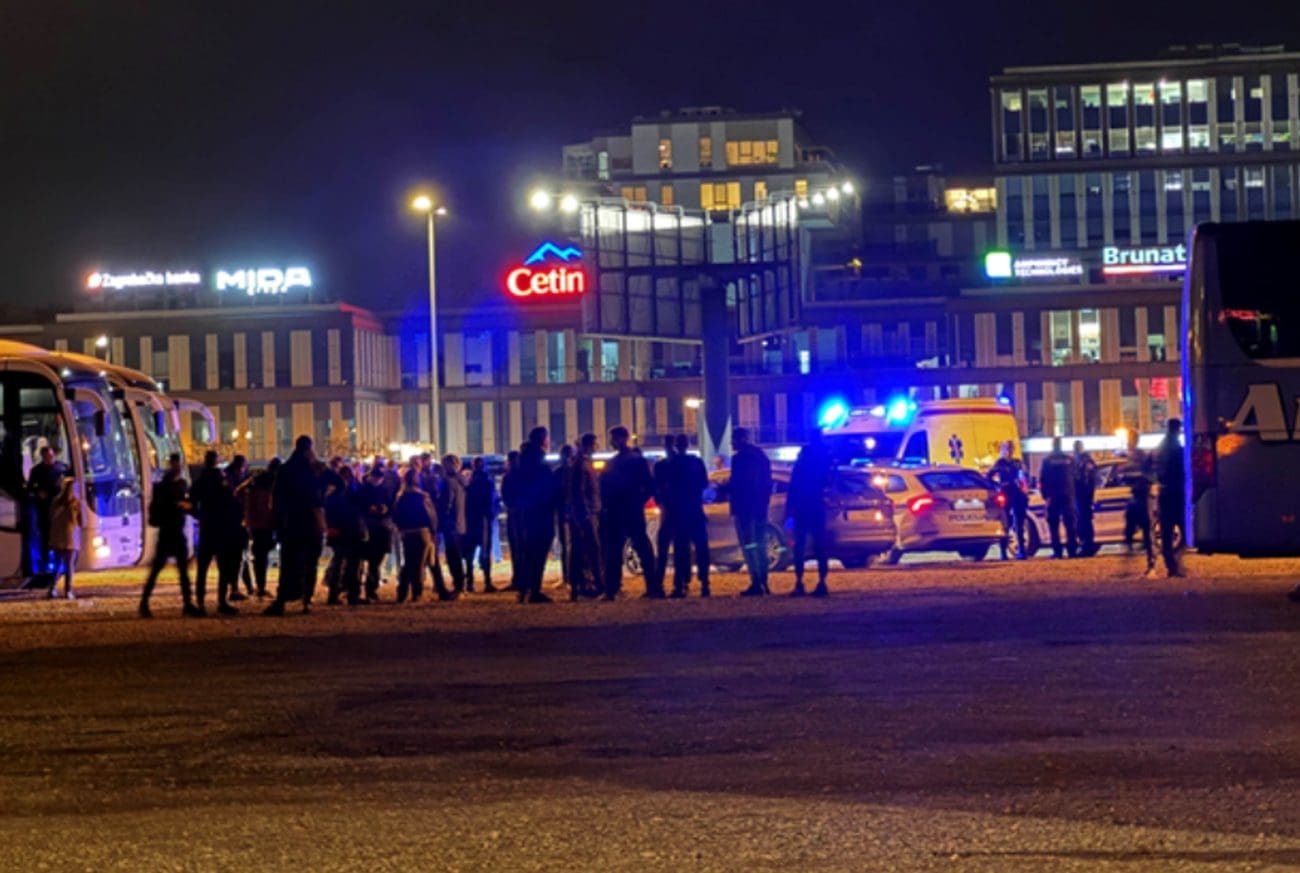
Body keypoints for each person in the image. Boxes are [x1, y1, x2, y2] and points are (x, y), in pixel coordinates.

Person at [265, 435, 324, 616]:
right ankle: (306, 599)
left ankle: (282, 599)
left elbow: (276, 497)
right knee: (310, 563)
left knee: (288, 563)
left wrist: (277, 521)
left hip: (289, 523)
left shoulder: (285, 469)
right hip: (308, 523)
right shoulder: (311, 470)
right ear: (308, 449)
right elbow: (316, 497)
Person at [600, 425, 660, 600]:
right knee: (642, 547)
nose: (611, 442)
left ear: (621, 439)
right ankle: (652, 586)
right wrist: (638, 501)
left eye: (613, 438)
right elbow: (649, 486)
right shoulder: (636, 460)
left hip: (617, 511)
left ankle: (612, 589)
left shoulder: (615, 463)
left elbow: (606, 488)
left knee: (614, 550)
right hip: (631, 509)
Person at [139, 453, 197, 618]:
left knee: (162, 570)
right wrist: (180, 506)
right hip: (171, 531)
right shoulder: (172, 486)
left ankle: (145, 603)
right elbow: (166, 507)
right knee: (175, 570)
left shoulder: (165, 486)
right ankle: (186, 604)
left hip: (170, 532)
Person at [786, 430, 834, 597]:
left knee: (799, 546)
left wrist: (789, 511)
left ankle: (800, 582)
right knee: (819, 546)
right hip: (816, 506)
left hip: (802, 506)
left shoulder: (804, 458)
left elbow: (794, 485)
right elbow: (829, 482)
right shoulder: (825, 458)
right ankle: (821, 582)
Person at [516, 427, 558, 603]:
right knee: (539, 553)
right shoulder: (539, 460)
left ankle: (524, 589)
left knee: (528, 552)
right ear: (542, 440)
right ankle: (535, 590)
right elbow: (547, 486)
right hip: (541, 512)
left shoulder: (523, 460)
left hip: (528, 511)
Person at [730, 427, 773, 596]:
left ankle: (756, 582)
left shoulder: (739, 459)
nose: (732, 443)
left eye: (734, 439)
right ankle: (764, 580)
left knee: (748, 545)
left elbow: (737, 484)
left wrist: (725, 489)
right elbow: (767, 482)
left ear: (740, 439)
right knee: (760, 544)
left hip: (744, 508)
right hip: (759, 508)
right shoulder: (760, 456)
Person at [669, 433, 710, 598]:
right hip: (695, 510)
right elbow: (704, 483)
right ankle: (704, 583)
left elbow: (668, 486)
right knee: (701, 548)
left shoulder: (673, 463)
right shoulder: (696, 462)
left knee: (681, 550)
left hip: (679, 512)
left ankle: (681, 583)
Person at [566, 433, 603, 599]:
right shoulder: (581, 464)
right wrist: (585, 512)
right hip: (586, 513)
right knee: (590, 549)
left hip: (586, 511)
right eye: (595, 444)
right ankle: (595, 584)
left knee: (581, 549)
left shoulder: (582, 462)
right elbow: (579, 490)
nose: (597, 447)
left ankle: (581, 584)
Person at [189, 450, 225, 613]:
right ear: (216, 461)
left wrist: (199, 515)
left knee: (202, 568)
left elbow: (191, 502)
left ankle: (201, 602)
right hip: (220, 526)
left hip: (207, 526)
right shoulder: (221, 479)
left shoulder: (200, 481)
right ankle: (222, 601)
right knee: (223, 566)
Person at [393, 468, 437, 603]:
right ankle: (417, 592)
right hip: (422, 532)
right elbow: (431, 516)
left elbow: (396, 515)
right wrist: (433, 531)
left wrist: (401, 528)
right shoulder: (423, 497)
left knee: (408, 563)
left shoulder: (401, 497)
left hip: (407, 532)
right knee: (419, 564)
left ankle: (402, 592)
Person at [324, 465, 366, 606]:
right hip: (349, 531)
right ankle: (351, 594)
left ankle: (336, 593)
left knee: (340, 562)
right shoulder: (352, 494)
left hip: (340, 531)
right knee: (351, 563)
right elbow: (358, 511)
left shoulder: (333, 495)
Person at [1115, 434, 1156, 576]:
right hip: (1136, 496)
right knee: (1130, 527)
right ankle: (1130, 561)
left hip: (1143, 496)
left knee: (1147, 530)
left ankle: (1151, 564)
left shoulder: (1140, 456)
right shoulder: (1132, 456)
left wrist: (1125, 472)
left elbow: (1145, 475)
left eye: (1130, 440)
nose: (1128, 443)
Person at [237, 458, 279, 598]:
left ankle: (260, 586)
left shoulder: (254, 481)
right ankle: (261, 586)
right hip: (267, 522)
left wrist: (246, 510)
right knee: (262, 554)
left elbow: (238, 492)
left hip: (253, 522)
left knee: (259, 554)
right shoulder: (273, 482)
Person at [213, 465, 248, 616]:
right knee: (231, 567)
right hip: (232, 536)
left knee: (224, 569)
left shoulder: (214, 498)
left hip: (220, 536)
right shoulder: (228, 496)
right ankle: (227, 596)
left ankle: (223, 598)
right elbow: (239, 513)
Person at [27, 445, 66, 576]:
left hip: (59, 507)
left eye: (51, 456)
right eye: (47, 456)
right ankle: (45, 562)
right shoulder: (36, 471)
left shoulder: (61, 468)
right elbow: (30, 488)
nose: (50, 458)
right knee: (45, 534)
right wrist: (38, 493)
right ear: (43, 457)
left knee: (59, 535)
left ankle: (59, 560)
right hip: (44, 507)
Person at [1038, 436, 1078, 559]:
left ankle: (1057, 551)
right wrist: (1073, 493)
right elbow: (1076, 477)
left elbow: (1042, 479)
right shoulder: (1069, 459)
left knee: (1053, 524)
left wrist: (1045, 496)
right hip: (1068, 495)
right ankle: (1072, 550)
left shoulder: (1047, 460)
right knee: (1070, 524)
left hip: (1053, 495)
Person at [1156, 418, 1186, 578]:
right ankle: (1175, 563)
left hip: (1165, 492)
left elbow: (1150, 467)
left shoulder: (1161, 447)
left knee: (1166, 532)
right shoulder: (1176, 448)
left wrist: (1158, 480)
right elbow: (1182, 469)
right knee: (1185, 531)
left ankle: (1171, 564)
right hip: (1177, 492)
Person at [463, 456, 497, 593]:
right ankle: (487, 582)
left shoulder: (469, 482)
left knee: (470, 553)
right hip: (482, 520)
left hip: (471, 520)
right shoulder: (487, 481)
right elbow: (491, 501)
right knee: (485, 551)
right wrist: (490, 514)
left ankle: (470, 582)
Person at [358, 467, 392, 601]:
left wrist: (385, 509)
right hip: (369, 527)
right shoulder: (363, 489)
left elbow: (390, 505)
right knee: (366, 560)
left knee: (376, 560)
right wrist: (369, 508)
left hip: (381, 528)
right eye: (376, 478)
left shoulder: (384, 489)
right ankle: (365, 589)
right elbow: (360, 506)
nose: (378, 480)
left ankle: (371, 588)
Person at [991, 441, 1029, 560]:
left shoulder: (1017, 462)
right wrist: (998, 486)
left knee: (1019, 523)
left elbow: (1023, 476)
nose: (1010, 451)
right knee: (1005, 522)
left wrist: (1024, 488)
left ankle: (1021, 550)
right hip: (1005, 493)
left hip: (1017, 493)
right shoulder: (1000, 463)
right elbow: (989, 476)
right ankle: (1003, 552)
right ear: (1003, 449)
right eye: (1008, 448)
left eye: (1012, 448)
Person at [48, 478, 84, 600]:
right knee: (69, 565)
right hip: (71, 538)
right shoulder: (76, 503)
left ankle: (52, 588)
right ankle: (68, 591)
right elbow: (82, 521)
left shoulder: (55, 502)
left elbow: (51, 517)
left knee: (57, 564)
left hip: (57, 537)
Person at [438, 454, 469, 593]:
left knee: (452, 555)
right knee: (457, 554)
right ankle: (461, 582)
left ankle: (458, 583)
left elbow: (446, 503)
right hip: (461, 523)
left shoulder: (448, 482)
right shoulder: (463, 481)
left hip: (450, 523)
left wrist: (442, 518)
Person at [653, 435, 678, 586]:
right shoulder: (681, 463)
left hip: (668, 509)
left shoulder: (661, 466)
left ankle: (659, 583)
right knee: (678, 548)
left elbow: (655, 487)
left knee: (663, 548)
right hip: (676, 510)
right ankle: (679, 584)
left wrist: (660, 501)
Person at [551, 444, 574, 594]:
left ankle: (568, 577)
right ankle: (569, 577)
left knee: (566, 545)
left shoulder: (558, 472)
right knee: (568, 545)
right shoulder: (572, 471)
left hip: (564, 512)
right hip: (570, 512)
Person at [501, 450, 523, 591]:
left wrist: (512, 506)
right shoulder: (524, 475)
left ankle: (518, 579)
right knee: (522, 548)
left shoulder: (508, 476)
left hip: (514, 514)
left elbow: (505, 496)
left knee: (516, 548)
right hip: (523, 515)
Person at [1073, 440, 1099, 557]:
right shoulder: (1088, 461)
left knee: (1083, 521)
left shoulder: (1082, 461)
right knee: (1084, 520)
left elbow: (1084, 479)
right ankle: (1088, 545)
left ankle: (1087, 546)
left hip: (1082, 494)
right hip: (1085, 495)